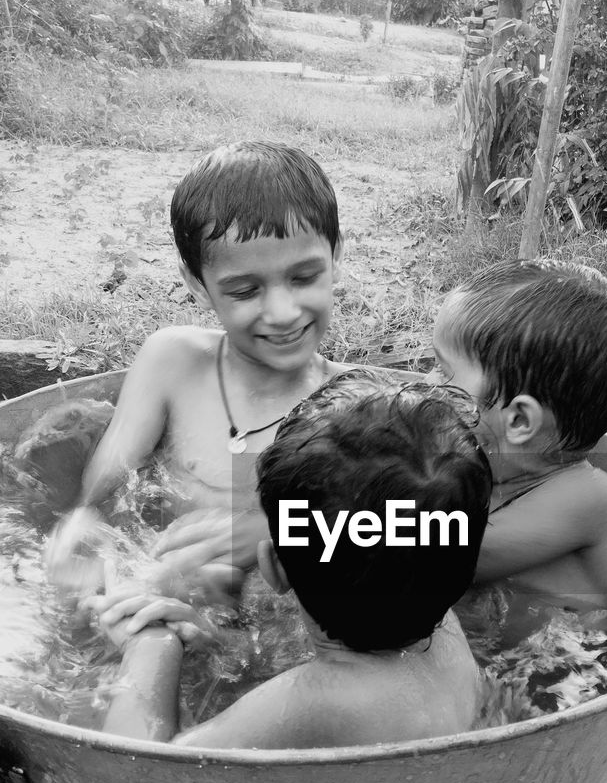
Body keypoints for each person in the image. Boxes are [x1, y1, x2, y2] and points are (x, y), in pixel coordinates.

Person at [90, 373, 491, 750]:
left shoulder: (318, 700)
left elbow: (143, 769)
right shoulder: (442, 629)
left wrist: (151, 646)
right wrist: (217, 645)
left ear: (274, 567)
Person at [45, 141, 351, 598]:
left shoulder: (355, 405)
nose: (283, 312)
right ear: (199, 286)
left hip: (282, 627)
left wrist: (278, 532)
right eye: (245, 291)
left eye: (304, 278)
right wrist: (79, 532)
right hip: (160, 595)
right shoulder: (173, 362)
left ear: (336, 256)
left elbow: (423, 528)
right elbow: (103, 490)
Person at [430, 258, 607, 641]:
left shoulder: (589, 498)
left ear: (519, 421)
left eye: (443, 371)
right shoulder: (488, 467)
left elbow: (445, 555)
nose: (428, 384)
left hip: (571, 659)